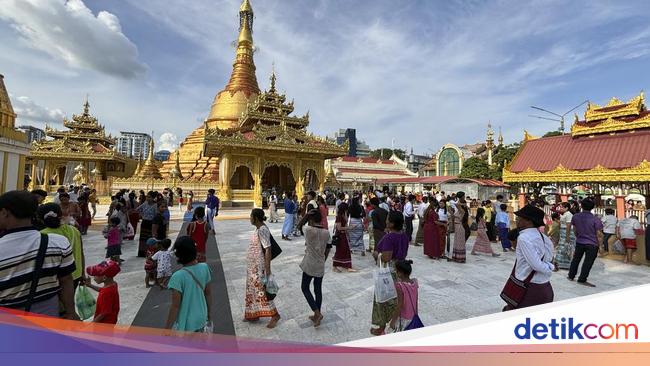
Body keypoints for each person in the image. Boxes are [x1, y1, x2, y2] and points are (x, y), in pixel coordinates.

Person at [0, 191, 78, 319]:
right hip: (48, 316)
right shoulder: (57, 243)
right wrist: (70, 312)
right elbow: (66, 280)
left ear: (5, 212)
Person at [503, 205, 554, 310]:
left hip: (530, 289)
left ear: (528, 221)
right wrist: (550, 266)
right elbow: (549, 258)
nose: (517, 219)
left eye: (520, 217)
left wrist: (550, 268)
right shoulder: (545, 238)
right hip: (544, 286)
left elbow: (536, 265)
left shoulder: (524, 238)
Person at [371, 211, 409, 336]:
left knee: (382, 299)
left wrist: (377, 254)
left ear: (392, 224)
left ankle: (383, 327)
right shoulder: (403, 235)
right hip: (400, 271)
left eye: (388, 219)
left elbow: (386, 257)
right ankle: (395, 325)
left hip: (389, 273)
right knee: (396, 300)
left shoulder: (390, 237)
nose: (386, 221)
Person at [165, 236, 213, 333]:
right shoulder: (205, 267)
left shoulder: (177, 277)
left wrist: (167, 329)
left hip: (186, 322)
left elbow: (175, 306)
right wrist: (209, 313)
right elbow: (208, 293)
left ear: (178, 255)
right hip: (202, 317)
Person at [244, 208, 281, 328]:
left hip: (259, 267)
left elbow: (268, 249)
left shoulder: (263, 230)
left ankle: (275, 315)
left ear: (255, 218)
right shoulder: (259, 229)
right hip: (253, 266)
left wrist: (267, 269)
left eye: (251, 216)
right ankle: (253, 314)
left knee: (262, 291)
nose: (250, 218)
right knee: (253, 290)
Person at [38, 203, 86, 289]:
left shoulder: (41, 235)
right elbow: (81, 253)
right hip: (75, 274)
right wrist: (83, 273)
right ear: (61, 215)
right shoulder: (74, 230)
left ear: (41, 219)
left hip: (54, 278)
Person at [300, 209, 331, 327]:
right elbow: (328, 247)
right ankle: (317, 313)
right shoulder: (326, 232)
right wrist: (324, 259)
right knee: (318, 290)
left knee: (304, 287)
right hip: (320, 263)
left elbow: (299, 225)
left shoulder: (308, 230)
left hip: (309, 263)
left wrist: (307, 214)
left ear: (311, 219)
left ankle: (317, 313)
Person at [568, 199, 603, 287]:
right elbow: (599, 234)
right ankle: (582, 279)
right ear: (592, 207)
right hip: (592, 243)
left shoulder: (575, 216)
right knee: (588, 262)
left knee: (576, 259)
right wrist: (601, 246)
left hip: (580, 241)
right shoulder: (595, 219)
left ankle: (571, 276)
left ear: (581, 206)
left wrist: (579, 237)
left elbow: (575, 230)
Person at [389, 259, 418, 332]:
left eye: (396, 271)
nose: (395, 272)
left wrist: (393, 321)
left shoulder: (399, 286)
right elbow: (416, 300)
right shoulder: (415, 283)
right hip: (412, 317)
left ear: (400, 273)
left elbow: (400, 305)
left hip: (403, 318)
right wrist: (416, 315)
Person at [332, 203, 356, 272]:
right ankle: (335, 266)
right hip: (340, 236)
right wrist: (349, 227)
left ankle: (347, 265)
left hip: (343, 235)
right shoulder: (339, 216)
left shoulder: (343, 215)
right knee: (340, 251)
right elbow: (339, 228)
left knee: (345, 250)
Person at [136, 192, 158, 257]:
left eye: (149, 197)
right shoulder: (145, 203)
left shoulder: (155, 205)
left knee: (149, 238)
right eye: (147, 197)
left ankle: (149, 252)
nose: (147, 198)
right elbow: (137, 209)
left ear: (153, 198)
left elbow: (156, 214)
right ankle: (141, 253)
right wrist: (141, 214)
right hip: (144, 222)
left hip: (151, 223)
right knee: (143, 238)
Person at [448, 197, 467, 263]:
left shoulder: (462, 211)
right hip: (457, 227)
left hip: (459, 227)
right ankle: (456, 257)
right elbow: (450, 209)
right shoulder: (457, 211)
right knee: (456, 242)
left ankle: (460, 258)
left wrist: (462, 204)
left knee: (459, 243)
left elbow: (457, 205)